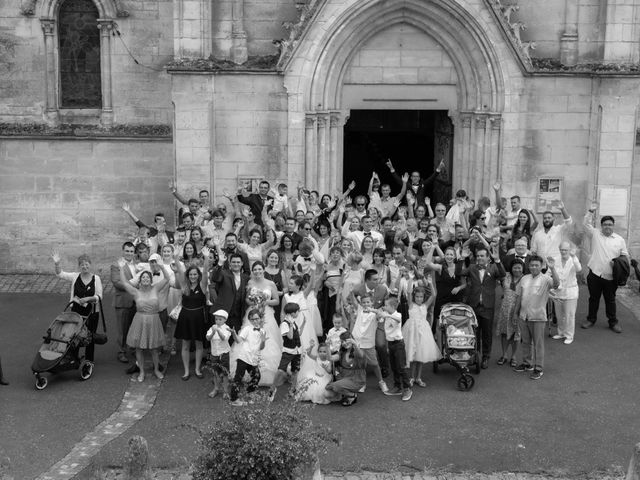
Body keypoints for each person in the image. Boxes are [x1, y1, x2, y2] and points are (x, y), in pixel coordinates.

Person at [230, 261, 282, 386]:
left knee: (266, 340)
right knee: (249, 338)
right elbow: (247, 299)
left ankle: (266, 373)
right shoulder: (250, 283)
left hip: (267, 314)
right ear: (253, 271)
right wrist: (253, 302)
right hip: (252, 314)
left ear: (263, 270)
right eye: (255, 270)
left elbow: (276, 300)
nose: (257, 271)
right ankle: (246, 369)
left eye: (260, 269)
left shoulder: (270, 284)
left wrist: (265, 302)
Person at [118, 262, 171, 382]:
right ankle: (141, 371)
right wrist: (121, 269)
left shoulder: (156, 288)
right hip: (140, 321)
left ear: (151, 280)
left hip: (153, 321)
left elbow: (167, 278)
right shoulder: (136, 292)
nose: (145, 279)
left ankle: (156, 369)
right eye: (143, 277)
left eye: (148, 277)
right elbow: (124, 283)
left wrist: (162, 267)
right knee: (139, 349)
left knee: (154, 349)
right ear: (140, 281)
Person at [52, 251, 103, 376]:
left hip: (91, 312)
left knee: (89, 336)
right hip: (76, 312)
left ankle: (89, 360)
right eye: (82, 265)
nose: (84, 267)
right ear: (79, 266)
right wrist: (57, 263)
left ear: (90, 265)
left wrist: (88, 299)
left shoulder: (96, 279)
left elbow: (99, 297)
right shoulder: (75, 276)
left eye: (86, 264)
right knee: (74, 335)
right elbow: (60, 274)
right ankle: (73, 357)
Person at [581, 211, 629, 333]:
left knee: (610, 300)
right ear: (601, 226)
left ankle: (613, 322)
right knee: (593, 299)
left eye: (610, 224)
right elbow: (585, 223)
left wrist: (617, 262)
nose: (607, 226)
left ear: (613, 226)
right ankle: (591, 319)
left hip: (611, 277)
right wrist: (590, 212)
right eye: (605, 224)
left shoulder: (619, 240)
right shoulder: (596, 234)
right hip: (595, 274)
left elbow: (625, 256)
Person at [513, 255, 559, 380]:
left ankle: (538, 367)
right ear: (528, 266)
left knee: (538, 343)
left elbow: (556, 284)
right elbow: (519, 296)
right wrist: (515, 313)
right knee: (526, 341)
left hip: (538, 317)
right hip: (524, 316)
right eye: (532, 265)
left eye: (536, 265)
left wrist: (553, 269)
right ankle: (527, 363)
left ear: (541, 266)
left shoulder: (546, 279)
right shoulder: (524, 278)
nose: (534, 267)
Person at [463, 246, 505, 369]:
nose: (480, 258)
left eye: (482, 256)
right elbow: (459, 272)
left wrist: (497, 260)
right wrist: (462, 258)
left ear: (488, 257)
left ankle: (486, 357)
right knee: (474, 332)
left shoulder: (493, 268)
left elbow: (502, 274)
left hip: (487, 306)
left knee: (487, 333)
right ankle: (474, 355)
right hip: (474, 306)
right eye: (478, 256)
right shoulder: (471, 268)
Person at [173, 258, 210, 381]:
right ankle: (186, 371)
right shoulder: (184, 286)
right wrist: (175, 257)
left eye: (195, 274)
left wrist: (206, 259)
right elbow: (179, 270)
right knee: (185, 345)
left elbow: (205, 273)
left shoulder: (203, 286)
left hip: (199, 319)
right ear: (187, 276)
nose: (193, 276)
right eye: (190, 274)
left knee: (199, 345)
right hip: (185, 319)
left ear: (198, 275)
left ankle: (197, 369)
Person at [348, 294, 389, 394]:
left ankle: (381, 382)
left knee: (374, 364)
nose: (366, 304)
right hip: (358, 344)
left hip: (369, 344)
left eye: (368, 302)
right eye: (364, 302)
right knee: (361, 364)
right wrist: (351, 292)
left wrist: (373, 310)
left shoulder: (375, 314)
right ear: (361, 304)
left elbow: (382, 315)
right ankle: (363, 383)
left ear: (372, 303)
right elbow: (354, 302)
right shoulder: (359, 311)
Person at [400, 285, 440, 387]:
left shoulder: (425, 306)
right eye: (417, 296)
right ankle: (412, 377)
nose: (419, 299)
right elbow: (408, 292)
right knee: (413, 356)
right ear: (414, 297)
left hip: (423, 332)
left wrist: (430, 283)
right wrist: (410, 279)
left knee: (421, 356)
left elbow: (434, 294)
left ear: (423, 297)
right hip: (412, 332)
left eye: (421, 297)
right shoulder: (411, 305)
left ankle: (418, 377)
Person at [268, 302, 306, 401]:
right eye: (297, 311)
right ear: (292, 313)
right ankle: (272, 388)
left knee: (295, 371)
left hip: (297, 350)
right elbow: (290, 336)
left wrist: (303, 323)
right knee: (281, 370)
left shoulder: (293, 322)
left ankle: (292, 390)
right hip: (288, 351)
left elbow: (298, 333)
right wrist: (291, 324)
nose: (298, 313)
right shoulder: (285, 324)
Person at [377, 297, 412, 401]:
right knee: (394, 367)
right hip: (391, 344)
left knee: (402, 367)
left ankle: (407, 389)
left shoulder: (397, 315)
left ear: (392, 306)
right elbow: (378, 313)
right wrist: (372, 310)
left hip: (398, 345)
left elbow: (399, 319)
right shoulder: (386, 314)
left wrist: (386, 315)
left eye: (386, 305)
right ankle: (398, 387)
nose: (384, 306)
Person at [229, 308, 266, 406]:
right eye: (252, 319)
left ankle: (249, 393)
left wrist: (263, 340)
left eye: (257, 318)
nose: (255, 321)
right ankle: (234, 399)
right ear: (249, 320)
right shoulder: (247, 329)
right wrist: (233, 333)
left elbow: (261, 347)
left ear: (260, 318)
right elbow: (238, 340)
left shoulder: (262, 331)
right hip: (244, 357)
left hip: (253, 359)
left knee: (256, 377)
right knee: (238, 378)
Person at [424, 245, 465, 334]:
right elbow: (428, 264)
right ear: (444, 256)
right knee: (440, 325)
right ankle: (439, 345)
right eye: (447, 254)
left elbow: (465, 284)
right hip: (442, 299)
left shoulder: (459, 267)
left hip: (455, 300)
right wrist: (432, 248)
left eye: (451, 255)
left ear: (454, 256)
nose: (449, 256)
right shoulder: (440, 267)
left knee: (453, 325)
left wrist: (458, 288)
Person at [550, 242, 582, 345]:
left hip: (570, 292)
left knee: (569, 315)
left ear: (569, 250)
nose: (563, 252)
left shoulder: (573, 260)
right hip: (558, 292)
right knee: (559, 315)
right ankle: (561, 333)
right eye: (562, 250)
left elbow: (579, 269)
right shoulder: (556, 259)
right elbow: (549, 273)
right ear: (559, 250)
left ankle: (569, 335)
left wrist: (574, 257)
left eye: (566, 250)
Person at [111, 242, 137, 367]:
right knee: (122, 329)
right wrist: (131, 284)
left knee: (133, 327)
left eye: (131, 251)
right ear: (123, 251)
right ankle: (121, 351)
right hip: (122, 301)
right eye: (127, 251)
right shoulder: (116, 265)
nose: (129, 253)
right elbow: (116, 282)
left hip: (136, 301)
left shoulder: (136, 264)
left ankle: (131, 348)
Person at [210, 253, 249, 333]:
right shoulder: (224, 273)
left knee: (235, 340)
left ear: (242, 263)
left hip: (238, 315)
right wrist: (220, 263)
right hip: (222, 314)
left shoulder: (246, 278)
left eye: (238, 262)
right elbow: (215, 278)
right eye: (233, 262)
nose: (236, 264)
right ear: (230, 263)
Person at [325, 331, 367, 406]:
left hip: (357, 379)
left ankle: (352, 395)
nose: (344, 343)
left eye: (346, 340)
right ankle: (347, 393)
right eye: (342, 341)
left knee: (335, 387)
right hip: (345, 378)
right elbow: (330, 358)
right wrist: (327, 346)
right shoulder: (342, 353)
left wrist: (355, 344)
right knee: (328, 389)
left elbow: (361, 356)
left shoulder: (358, 351)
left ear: (351, 340)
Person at [495, 259, 524, 367]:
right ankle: (504, 355)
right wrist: (497, 259)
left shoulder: (525, 279)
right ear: (511, 268)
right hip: (505, 310)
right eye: (515, 267)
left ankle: (514, 356)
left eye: (519, 267)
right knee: (504, 333)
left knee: (516, 334)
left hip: (518, 310)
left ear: (522, 268)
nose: (517, 269)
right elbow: (499, 267)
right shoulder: (506, 276)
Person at [296, 340, 339, 404]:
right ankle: (308, 396)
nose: (322, 353)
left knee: (320, 388)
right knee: (308, 379)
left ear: (328, 352)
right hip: (315, 375)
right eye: (320, 351)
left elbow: (329, 371)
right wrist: (311, 347)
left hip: (324, 377)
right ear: (318, 352)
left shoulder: (329, 361)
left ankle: (318, 397)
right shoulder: (317, 358)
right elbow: (309, 354)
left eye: (324, 352)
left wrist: (326, 368)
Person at [206, 309, 233, 399]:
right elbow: (208, 338)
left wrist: (218, 331)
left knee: (225, 373)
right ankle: (216, 388)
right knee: (215, 373)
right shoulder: (212, 327)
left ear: (225, 320)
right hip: (214, 354)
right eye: (216, 319)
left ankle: (225, 391)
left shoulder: (227, 328)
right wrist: (213, 331)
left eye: (220, 319)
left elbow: (224, 338)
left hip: (224, 354)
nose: (217, 321)